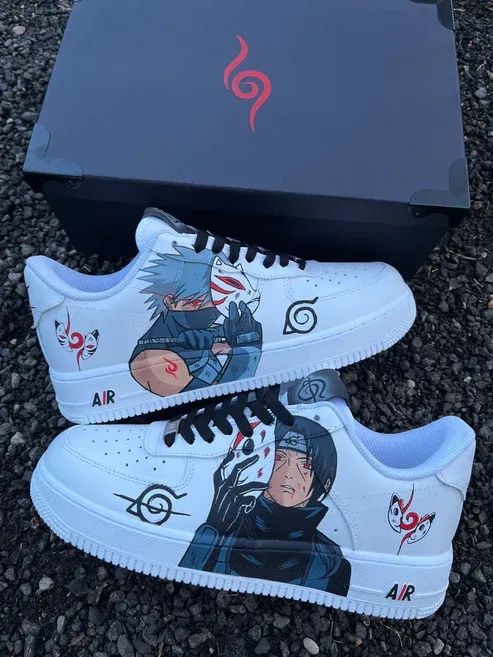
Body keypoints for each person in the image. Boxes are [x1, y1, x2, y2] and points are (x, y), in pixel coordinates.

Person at [180, 416, 351, 596]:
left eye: (306, 464)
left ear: (325, 481)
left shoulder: (331, 564)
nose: (289, 473)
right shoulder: (224, 530)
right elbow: (186, 571)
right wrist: (213, 528)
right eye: (279, 457)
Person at [128, 245, 262, 396]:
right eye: (197, 302)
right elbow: (216, 396)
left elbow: (223, 344)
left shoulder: (202, 333)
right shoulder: (151, 361)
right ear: (170, 302)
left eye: (216, 303)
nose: (210, 311)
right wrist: (247, 350)